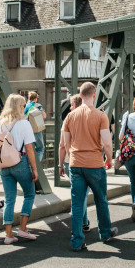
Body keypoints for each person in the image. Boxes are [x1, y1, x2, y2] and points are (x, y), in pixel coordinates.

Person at [59, 82, 118, 251]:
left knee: (77, 204)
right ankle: (105, 233)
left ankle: (77, 241)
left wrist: (62, 163)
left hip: (75, 164)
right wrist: (108, 159)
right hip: (94, 164)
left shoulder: (70, 116)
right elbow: (107, 143)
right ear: (94, 95)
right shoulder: (101, 116)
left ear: (79, 95)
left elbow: (64, 144)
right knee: (101, 200)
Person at [0, 94, 40, 244]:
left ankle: (8, 235)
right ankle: (23, 229)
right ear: (18, 107)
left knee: (9, 200)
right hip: (20, 163)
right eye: (22, 105)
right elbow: (29, 148)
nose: (24, 108)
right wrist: (34, 169)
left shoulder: (1, 123)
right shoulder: (24, 124)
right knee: (29, 193)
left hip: (4, 165)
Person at [58, 94, 90, 233]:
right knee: (82, 195)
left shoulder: (67, 121)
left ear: (76, 105)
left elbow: (62, 145)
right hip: (88, 162)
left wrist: (60, 164)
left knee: (78, 195)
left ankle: (80, 224)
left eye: (71, 105)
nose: (69, 107)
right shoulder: (91, 119)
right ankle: (84, 222)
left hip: (70, 162)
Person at [24, 91, 45, 162]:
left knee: (29, 148)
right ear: (36, 98)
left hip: (26, 129)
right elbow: (44, 116)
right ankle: (36, 164)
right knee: (40, 148)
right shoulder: (38, 105)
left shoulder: (25, 106)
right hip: (36, 129)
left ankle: (29, 163)